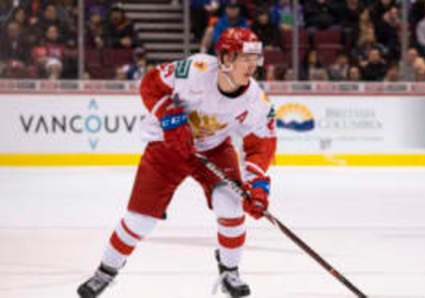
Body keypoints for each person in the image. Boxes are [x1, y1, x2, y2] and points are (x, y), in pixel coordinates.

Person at [77, 27, 277, 298]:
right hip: (166, 147)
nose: (253, 66)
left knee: (230, 206)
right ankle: (105, 271)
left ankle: (229, 271)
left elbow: (261, 145)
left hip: (214, 149)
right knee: (139, 221)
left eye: (256, 59)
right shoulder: (194, 70)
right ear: (226, 58)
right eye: (246, 58)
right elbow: (150, 83)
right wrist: (170, 117)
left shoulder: (257, 101)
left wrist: (257, 186)